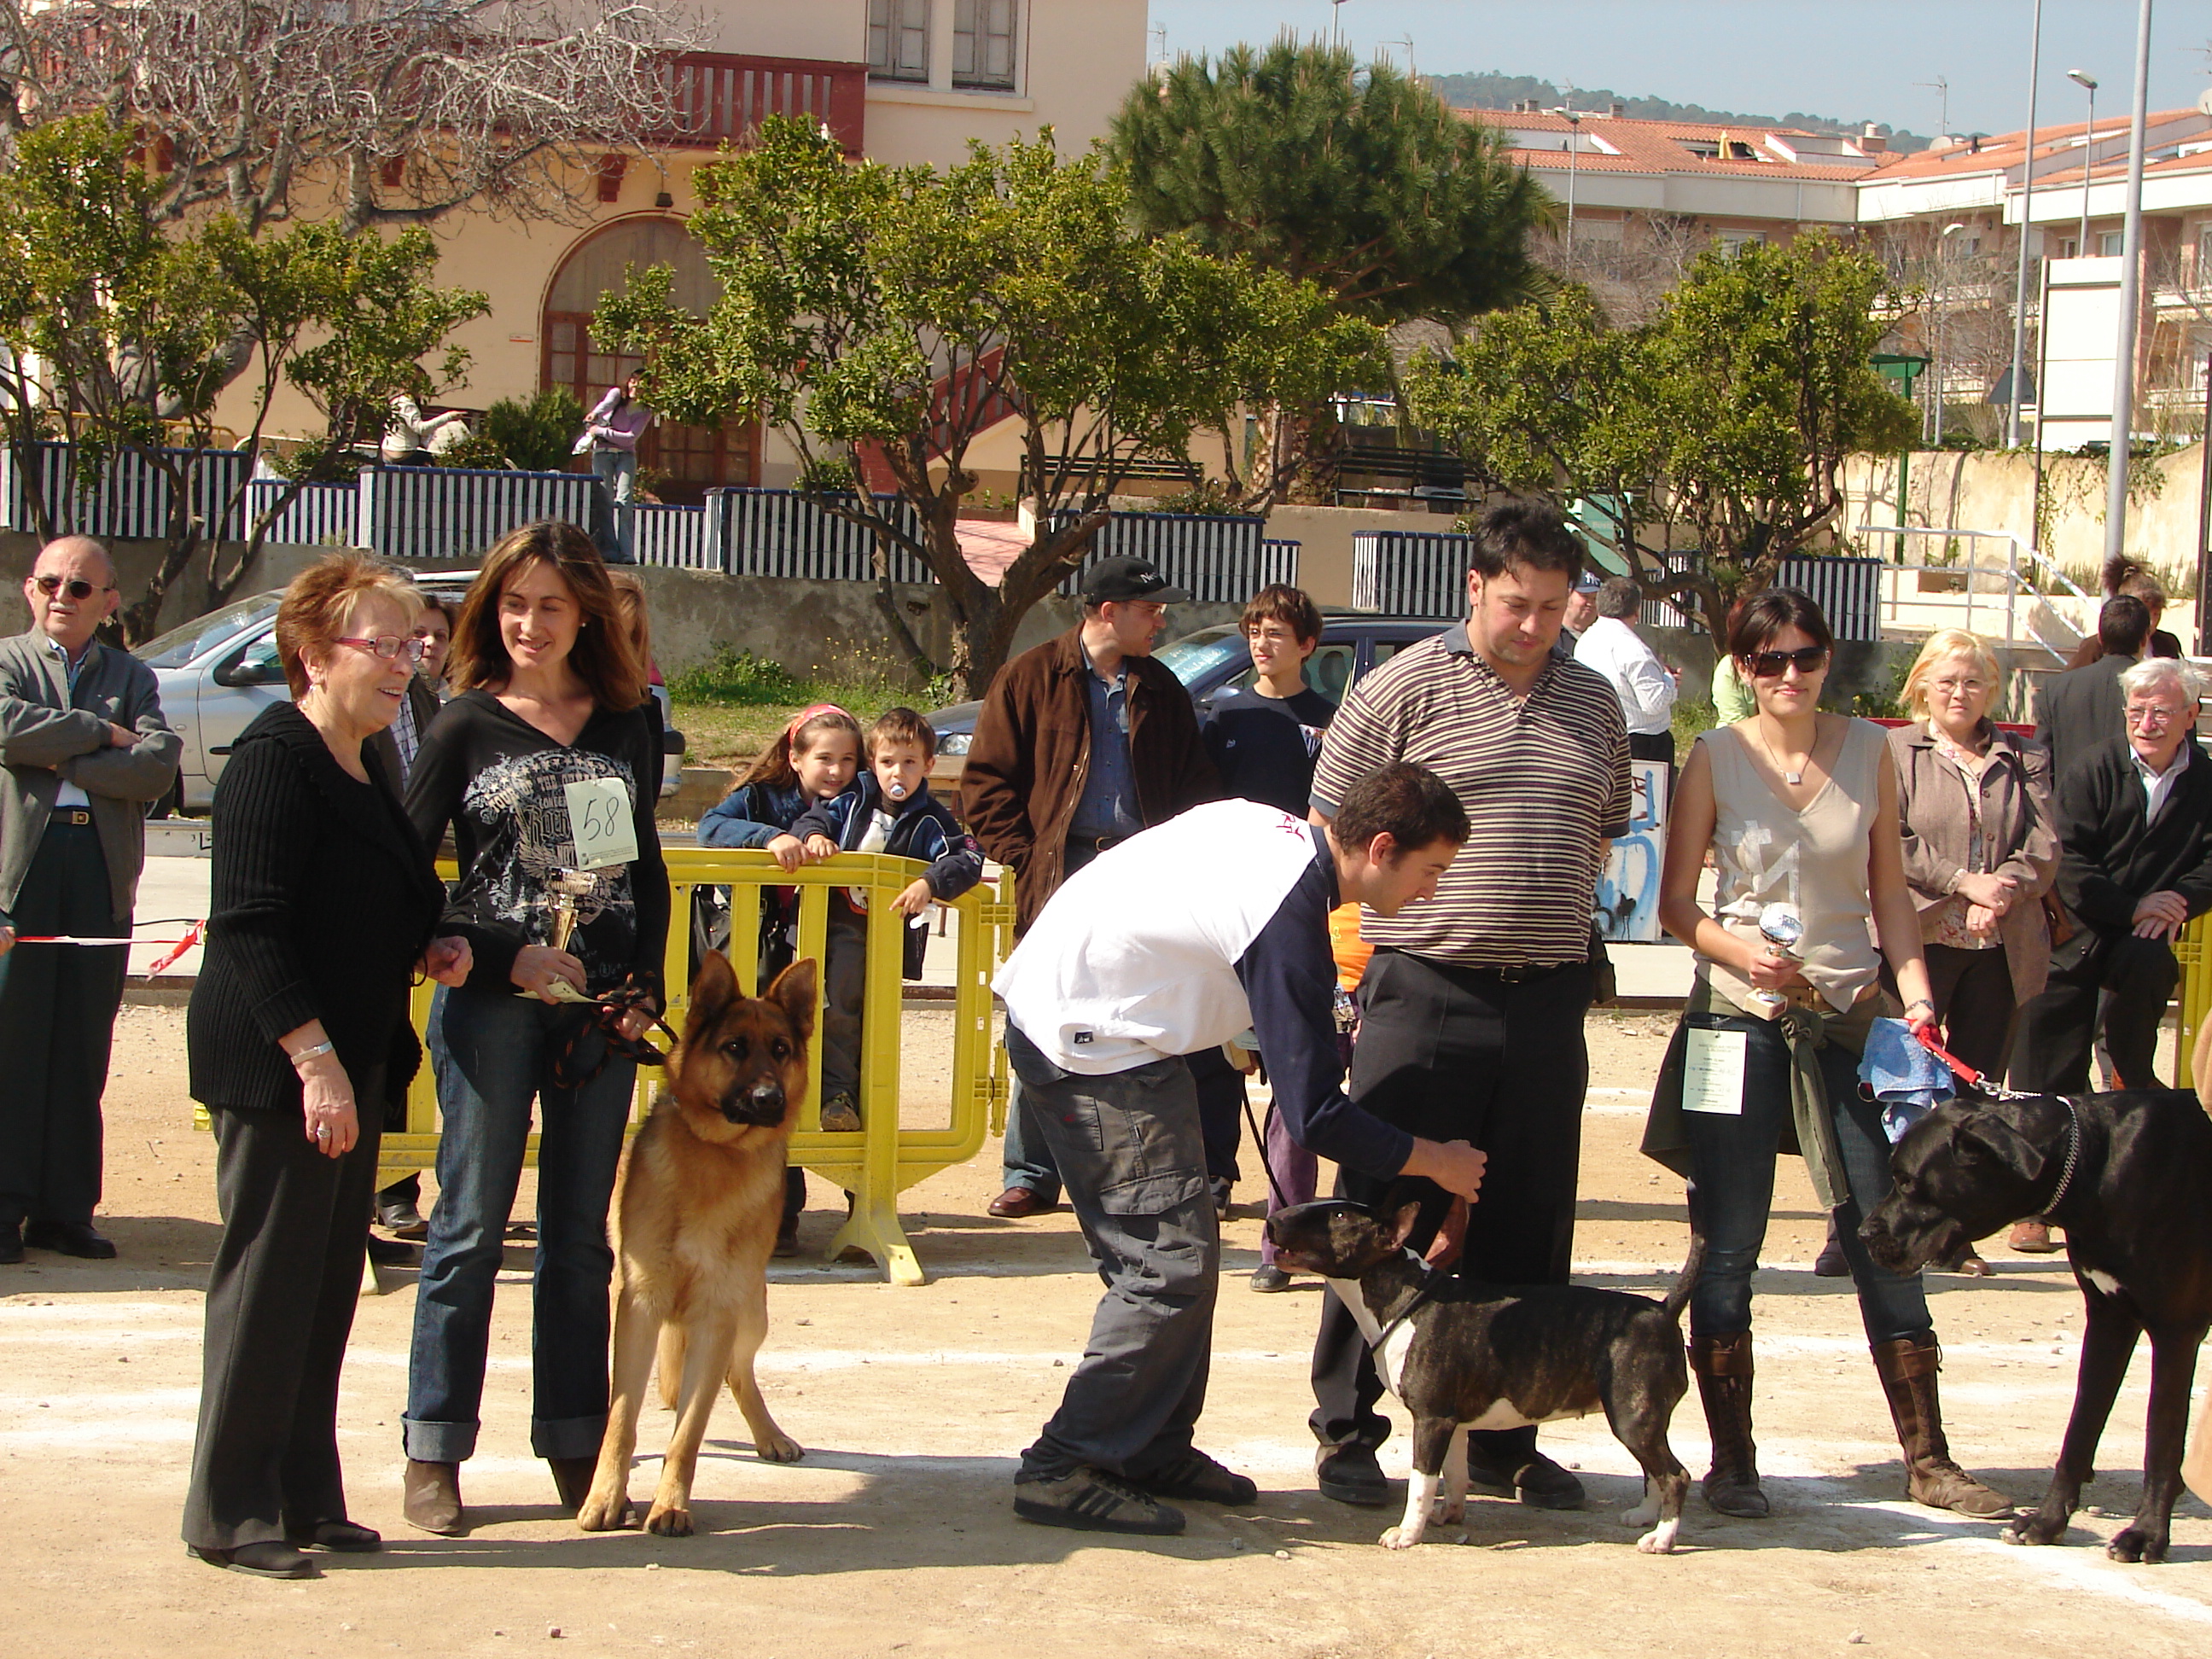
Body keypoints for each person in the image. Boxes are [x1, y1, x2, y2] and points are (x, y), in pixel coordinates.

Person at [993, 766, 1487, 1535]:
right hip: (1092, 1048)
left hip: (1103, 1026)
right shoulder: (1290, 915)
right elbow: (1314, 1115)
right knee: (1163, 1267)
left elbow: (1184, 908)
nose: (1432, 892)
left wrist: (1227, 1011)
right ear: (1382, 847)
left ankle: (1148, 1446)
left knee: (1184, 1253)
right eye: (1431, 871)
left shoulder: (1276, 832)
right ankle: (1066, 1465)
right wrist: (1434, 1160)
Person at [1644, 587, 2010, 1524]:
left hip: (1849, 1012)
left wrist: (1916, 997)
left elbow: (1891, 893)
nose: (1790, 675)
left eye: (1805, 656)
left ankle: (1928, 1457)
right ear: (1742, 668)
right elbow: (1676, 906)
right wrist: (1743, 957)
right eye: (1769, 660)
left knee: (1883, 1227)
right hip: (1737, 1016)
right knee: (1729, 1238)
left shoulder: (1871, 751)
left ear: (1827, 660)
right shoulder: (1714, 756)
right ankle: (1732, 1460)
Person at [1305, 498, 1629, 1514]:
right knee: (1376, 1215)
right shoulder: (1400, 686)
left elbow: (1606, 827)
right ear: (1475, 586)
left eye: (1553, 607)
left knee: (1529, 1220)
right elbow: (1331, 824)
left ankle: (1504, 1437)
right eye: (1516, 604)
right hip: (1424, 986)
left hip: (1549, 999)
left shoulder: (1596, 703)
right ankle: (1350, 1429)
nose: (1533, 625)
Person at [182, 556, 471, 1579]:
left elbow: (371, 894)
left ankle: (303, 1496)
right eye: (381, 644)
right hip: (283, 1072)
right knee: (267, 1287)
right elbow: (251, 926)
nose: (404, 664)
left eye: (411, 645)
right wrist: (314, 1062)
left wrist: (431, 939)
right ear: (312, 655)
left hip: (350, 1060)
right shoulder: (275, 758)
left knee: (321, 1290)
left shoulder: (367, 759)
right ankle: (230, 1511)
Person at [399, 520, 670, 1535]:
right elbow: (406, 872)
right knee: (469, 1230)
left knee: (578, 1241)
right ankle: (434, 1447)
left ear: (586, 614)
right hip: (492, 1009)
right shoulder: (462, 723)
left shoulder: (626, 722)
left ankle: (574, 1441)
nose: (530, 623)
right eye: (514, 604)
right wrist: (499, 955)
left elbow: (641, 868)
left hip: (598, 1014)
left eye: (551, 605)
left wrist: (644, 985)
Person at [962, 556, 1219, 1220]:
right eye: (1150, 609)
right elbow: (985, 785)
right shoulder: (1028, 677)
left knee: (1135, 1022)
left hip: (1141, 878)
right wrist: (1027, 860)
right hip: (1060, 873)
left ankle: (1127, 1174)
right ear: (1108, 611)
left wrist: (1179, 865)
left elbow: (1195, 790)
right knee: (1041, 1018)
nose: (1161, 621)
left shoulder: (1162, 688)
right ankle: (1030, 1172)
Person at [1835, 631, 2056, 1280]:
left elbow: (2044, 842)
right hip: (1914, 942)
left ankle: (1952, 1237)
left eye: (1974, 681)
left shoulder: (2024, 757)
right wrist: (1963, 883)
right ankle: (1855, 1231)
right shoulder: (1892, 750)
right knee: (1891, 1088)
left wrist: (2002, 890)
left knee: (1970, 1104)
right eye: (1948, 680)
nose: (1961, 692)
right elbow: (1891, 836)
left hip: (1999, 946)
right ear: (1922, 685)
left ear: (1992, 690)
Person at [0, 535, 180, 1264]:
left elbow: (156, 767)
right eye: (49, 583)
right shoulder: (8, 662)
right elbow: (5, 726)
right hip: (24, 871)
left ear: (108, 601)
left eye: (79, 588)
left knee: (82, 1046)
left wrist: (58, 757)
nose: (61, 598)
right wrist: (100, 734)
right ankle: (4, 1204)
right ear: (29, 589)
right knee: (14, 1041)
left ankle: (64, 1211)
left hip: (100, 871)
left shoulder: (132, 674)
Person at [697, 703, 864, 1254]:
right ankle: (783, 1210)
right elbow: (710, 826)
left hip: (839, 953)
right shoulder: (759, 798)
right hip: (768, 952)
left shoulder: (865, 801)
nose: (836, 771)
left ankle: (865, 1200)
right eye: (824, 758)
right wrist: (770, 837)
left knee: (849, 1050)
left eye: (848, 760)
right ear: (795, 758)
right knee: (767, 1070)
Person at [1196, 584, 1337, 1216]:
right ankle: (1214, 1171)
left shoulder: (1329, 719)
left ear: (1307, 644)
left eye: (1276, 633)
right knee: (1218, 1035)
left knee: (1294, 1038)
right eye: (1254, 631)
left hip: (1300, 893)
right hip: (1229, 893)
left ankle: (1291, 1187)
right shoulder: (1224, 716)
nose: (1261, 643)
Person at [2013, 656, 2212, 1100]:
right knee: (2045, 1080)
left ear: (2190, 715)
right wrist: (2131, 907)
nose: (2147, 724)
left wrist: (2177, 901)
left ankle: (2130, 1078)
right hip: (2073, 928)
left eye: (2161, 712)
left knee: (2152, 965)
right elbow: (2067, 857)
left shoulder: (2205, 778)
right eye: (2136, 711)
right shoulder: (2094, 767)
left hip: (2144, 934)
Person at [789, 707, 981, 1137]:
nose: (898, 772)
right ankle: (836, 1095)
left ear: (928, 765)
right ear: (872, 763)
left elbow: (967, 857)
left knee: (878, 1018)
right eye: (888, 761)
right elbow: (813, 818)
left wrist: (929, 882)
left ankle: (869, 1106)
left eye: (910, 762)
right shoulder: (852, 798)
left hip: (891, 934)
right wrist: (814, 836)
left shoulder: (932, 818)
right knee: (839, 1007)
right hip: (841, 925)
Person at [364, 587, 457, 1252]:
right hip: (376, 902)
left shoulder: (437, 708)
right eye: (409, 635)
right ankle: (378, 1191)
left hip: (424, 906)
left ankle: (399, 1192)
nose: (423, 647)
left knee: (413, 1051)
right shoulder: (357, 709)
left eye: (435, 636)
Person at [1575, 575, 1679, 775]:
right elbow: (1654, 703)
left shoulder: (1586, 641)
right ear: (1637, 610)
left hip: (1596, 737)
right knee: (1643, 797)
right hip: (1641, 744)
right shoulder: (1634, 649)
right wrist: (1669, 681)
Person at [2038, 595, 2150, 780]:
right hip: (2136, 796)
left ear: (2100, 638)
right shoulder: (2158, 692)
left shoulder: (2057, 688)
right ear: (2145, 639)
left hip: (2070, 795)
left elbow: (2041, 760)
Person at [2065, 555, 2184, 666]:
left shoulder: (2168, 643)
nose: (2152, 622)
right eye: (2146, 615)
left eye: (2156, 614)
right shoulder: (2095, 647)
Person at [584, 375, 653, 563]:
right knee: (604, 500)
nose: (636, 386)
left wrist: (600, 431)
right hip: (602, 454)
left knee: (624, 501)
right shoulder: (617, 395)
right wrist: (594, 415)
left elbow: (629, 438)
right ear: (629, 382)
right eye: (634, 381)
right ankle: (608, 551)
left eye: (642, 384)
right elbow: (604, 406)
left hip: (625, 456)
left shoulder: (645, 411)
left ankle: (627, 553)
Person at [1559, 570, 1599, 653]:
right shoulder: (1552, 635)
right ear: (1568, 595)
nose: (1590, 603)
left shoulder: (1602, 638)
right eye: (1585, 596)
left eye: (1595, 598)